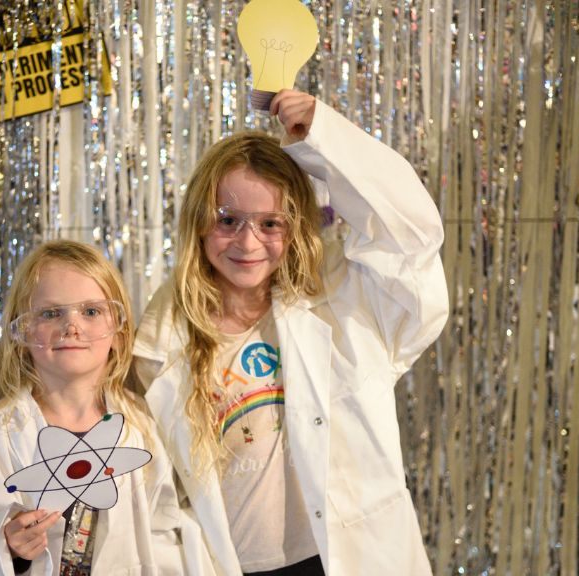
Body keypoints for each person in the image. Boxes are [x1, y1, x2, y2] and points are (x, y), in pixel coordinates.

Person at [132, 90, 448, 575]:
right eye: (228, 220)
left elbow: (411, 235)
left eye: (270, 223)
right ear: (198, 222)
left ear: (295, 223)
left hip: (349, 556)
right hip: (230, 562)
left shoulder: (347, 300)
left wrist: (324, 137)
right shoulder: (163, 335)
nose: (248, 241)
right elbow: (153, 491)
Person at [0, 240, 211, 575]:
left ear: (118, 331)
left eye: (90, 311)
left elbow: (163, 533)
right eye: (51, 313)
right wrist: (4, 542)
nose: (72, 326)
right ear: (21, 331)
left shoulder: (140, 430)